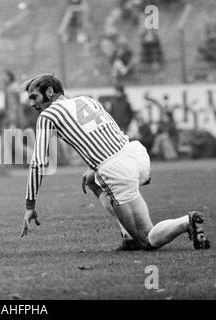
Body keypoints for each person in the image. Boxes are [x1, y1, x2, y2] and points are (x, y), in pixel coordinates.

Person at [20, 73, 210, 251]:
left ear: (50, 92)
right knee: (91, 179)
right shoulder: (86, 100)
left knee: (146, 239)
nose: (31, 103)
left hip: (116, 170)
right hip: (135, 153)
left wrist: (30, 206)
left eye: (34, 97)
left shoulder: (47, 115)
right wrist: (93, 169)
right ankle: (128, 235)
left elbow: (37, 163)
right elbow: (104, 131)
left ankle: (186, 222)